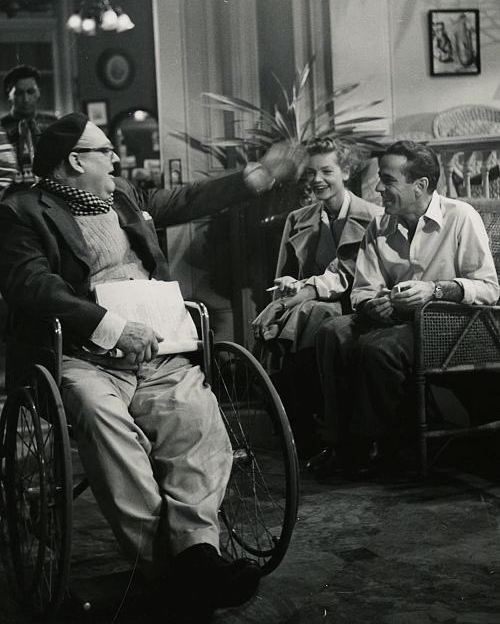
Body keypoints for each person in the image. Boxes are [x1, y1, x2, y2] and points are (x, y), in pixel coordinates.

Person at [0, 112, 304, 619]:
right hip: (81, 356)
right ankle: (170, 567)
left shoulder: (120, 195)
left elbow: (182, 201)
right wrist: (112, 329)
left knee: (194, 416)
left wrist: (260, 176)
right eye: (104, 150)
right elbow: (32, 287)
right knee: (104, 421)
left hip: (156, 348)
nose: (115, 157)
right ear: (75, 161)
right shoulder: (20, 212)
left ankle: (195, 555)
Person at [314, 140, 499, 477]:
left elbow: (489, 288)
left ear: (421, 186)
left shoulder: (461, 218)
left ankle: (374, 448)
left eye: (388, 180)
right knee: (331, 332)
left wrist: (436, 289)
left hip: (447, 326)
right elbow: (362, 290)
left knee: (378, 349)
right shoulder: (381, 224)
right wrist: (376, 304)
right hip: (395, 321)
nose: (378, 188)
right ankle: (339, 442)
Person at [252, 137, 382, 457]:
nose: (317, 181)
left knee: (311, 315)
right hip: (306, 306)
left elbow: (350, 276)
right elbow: (286, 274)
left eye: (327, 171)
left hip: (358, 303)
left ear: (347, 172)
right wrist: (285, 290)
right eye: (310, 174)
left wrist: (292, 301)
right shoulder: (299, 219)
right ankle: (303, 432)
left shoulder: (374, 217)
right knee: (297, 318)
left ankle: (316, 434)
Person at [0, 64, 57, 189]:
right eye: (19, 93)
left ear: (39, 93)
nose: (25, 99)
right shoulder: (1, 128)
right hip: (11, 195)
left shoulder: (54, 124)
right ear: (9, 95)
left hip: (50, 193)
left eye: (30, 92)